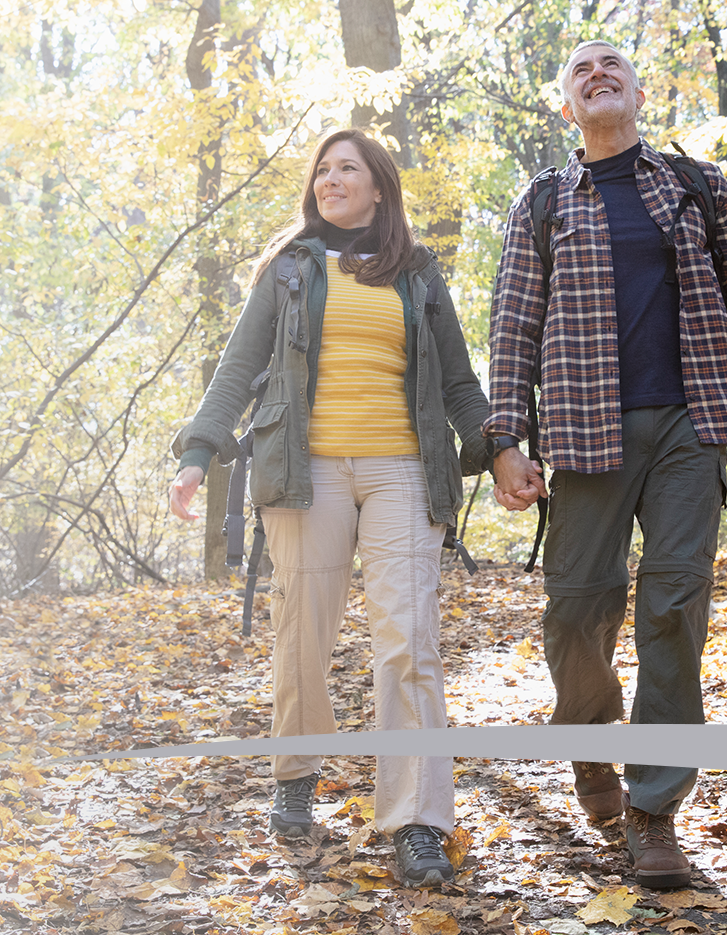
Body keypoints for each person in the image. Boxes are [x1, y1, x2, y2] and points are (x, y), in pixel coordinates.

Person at [483, 41, 727, 888]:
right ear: (567, 108)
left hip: (688, 425)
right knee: (575, 615)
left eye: (613, 68)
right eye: (581, 72)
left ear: (638, 94)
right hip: (583, 432)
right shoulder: (543, 203)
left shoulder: (695, 187)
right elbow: (513, 330)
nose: (598, 76)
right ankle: (591, 749)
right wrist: (503, 442)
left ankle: (654, 809)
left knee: (674, 606)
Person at [169, 129, 491, 888]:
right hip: (301, 469)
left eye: (348, 167)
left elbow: (458, 381)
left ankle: (417, 818)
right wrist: (196, 454)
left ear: (379, 187)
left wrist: (499, 449)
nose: (330, 178)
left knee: (409, 637)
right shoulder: (288, 270)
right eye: (322, 169)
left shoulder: (417, 272)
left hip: (402, 470)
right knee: (302, 630)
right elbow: (238, 367)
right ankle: (294, 773)